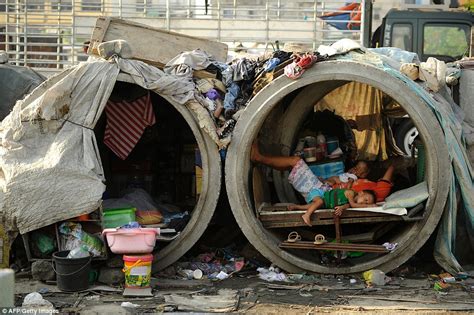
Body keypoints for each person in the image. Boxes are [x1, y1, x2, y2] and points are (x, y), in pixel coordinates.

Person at [251, 143, 386, 225]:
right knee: (292, 165)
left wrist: (372, 205)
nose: (365, 203)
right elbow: (342, 193)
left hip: (316, 189)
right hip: (320, 187)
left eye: (366, 202)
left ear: (365, 175)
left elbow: (353, 203)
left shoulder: (356, 187)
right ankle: (263, 160)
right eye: (366, 200)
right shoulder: (355, 185)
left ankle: (259, 157)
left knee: (295, 161)